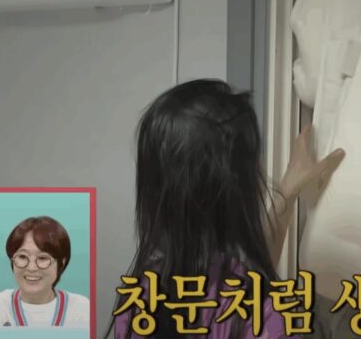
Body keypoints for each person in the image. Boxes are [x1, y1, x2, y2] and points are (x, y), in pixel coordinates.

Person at [109, 79, 346, 338]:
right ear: (235, 187)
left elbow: (241, 284)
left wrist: (287, 192)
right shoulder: (268, 319)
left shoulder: (139, 299)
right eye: (253, 160)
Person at [0, 216, 91, 327]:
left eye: (43, 258)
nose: (31, 268)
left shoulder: (80, 309)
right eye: (22, 257)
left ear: (62, 262)